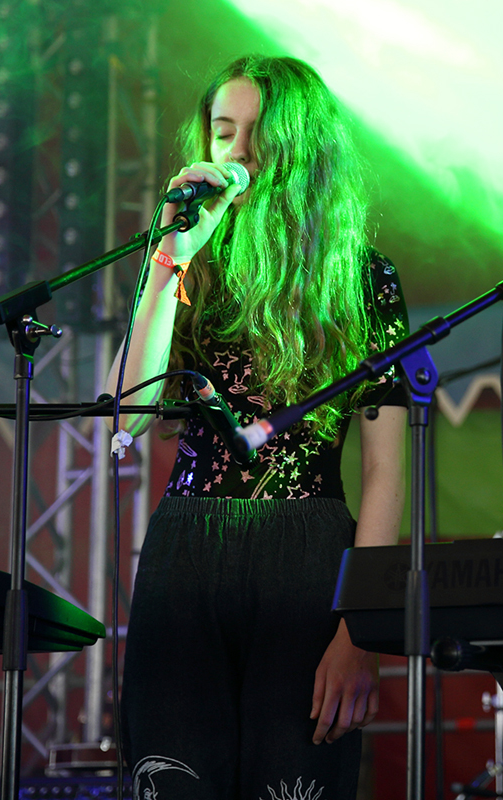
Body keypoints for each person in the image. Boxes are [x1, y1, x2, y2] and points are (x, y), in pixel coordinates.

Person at [108, 55, 408, 800]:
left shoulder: (363, 279)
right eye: (221, 132)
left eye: (257, 134)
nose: (236, 153)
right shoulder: (185, 263)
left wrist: (359, 629)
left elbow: (384, 470)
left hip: (308, 554)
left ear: (303, 146)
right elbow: (127, 411)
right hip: (188, 547)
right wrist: (171, 259)